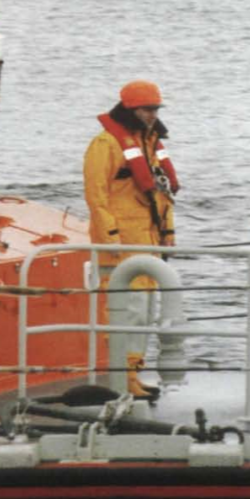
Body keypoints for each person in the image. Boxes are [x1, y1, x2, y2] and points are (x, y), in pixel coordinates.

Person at [84, 80, 178, 396]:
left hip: (146, 241)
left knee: (144, 310)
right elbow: (96, 196)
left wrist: (168, 232)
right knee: (127, 309)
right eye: (146, 109)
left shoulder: (148, 143)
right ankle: (123, 378)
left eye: (154, 109)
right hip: (121, 244)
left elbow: (161, 193)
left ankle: (133, 373)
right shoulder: (105, 145)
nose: (152, 115)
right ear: (130, 109)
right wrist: (110, 237)